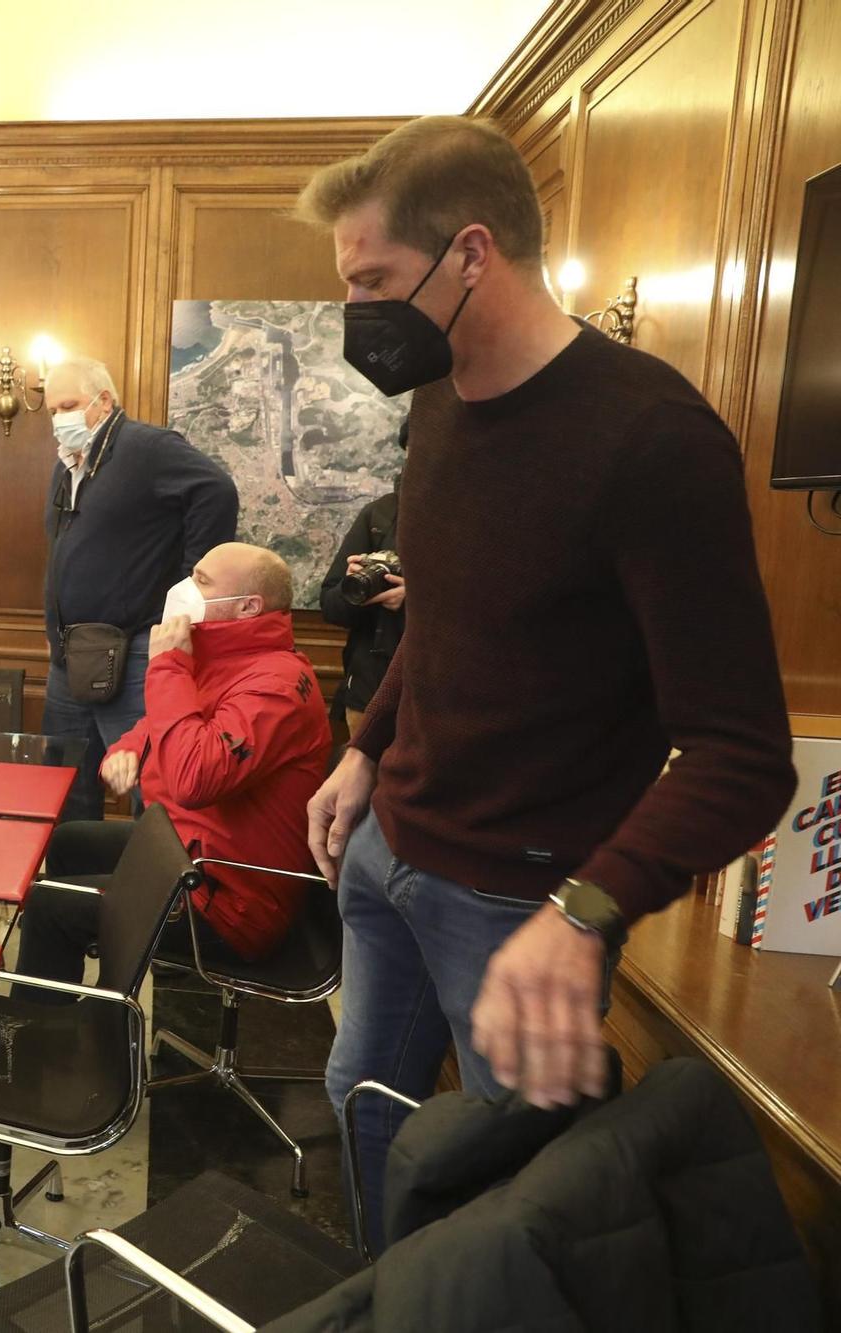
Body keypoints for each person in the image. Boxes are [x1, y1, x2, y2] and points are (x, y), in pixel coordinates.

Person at [296, 116, 795, 1246]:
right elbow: (444, 612)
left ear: (471, 252)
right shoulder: (437, 404)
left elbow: (742, 754)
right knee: (362, 1112)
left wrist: (583, 912)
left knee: (524, 1212)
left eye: (373, 280)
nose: (357, 314)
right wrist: (362, 749)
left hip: (518, 905)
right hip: (386, 855)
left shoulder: (651, 440)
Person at [17, 543, 329, 990]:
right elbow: (156, 726)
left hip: (230, 902)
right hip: (186, 851)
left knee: (49, 905)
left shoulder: (274, 687)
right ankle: (105, 979)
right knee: (71, 842)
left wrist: (166, 666)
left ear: (247, 607)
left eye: (201, 581)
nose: (183, 590)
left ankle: (51, 1045)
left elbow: (191, 779)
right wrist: (124, 750)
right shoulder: (223, 660)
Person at [41, 356, 239, 823]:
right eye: (52, 410)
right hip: (70, 655)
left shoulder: (146, 447)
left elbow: (217, 490)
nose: (59, 418)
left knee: (147, 787)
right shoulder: (66, 466)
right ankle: (70, 889)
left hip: (133, 652)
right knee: (62, 788)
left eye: (69, 405)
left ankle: (143, 893)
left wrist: (190, 593)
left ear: (104, 401)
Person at [319, 418, 407, 737]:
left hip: (442, 692)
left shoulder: (473, 516)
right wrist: (355, 589)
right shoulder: (379, 515)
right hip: (371, 686)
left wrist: (412, 599)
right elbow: (331, 606)